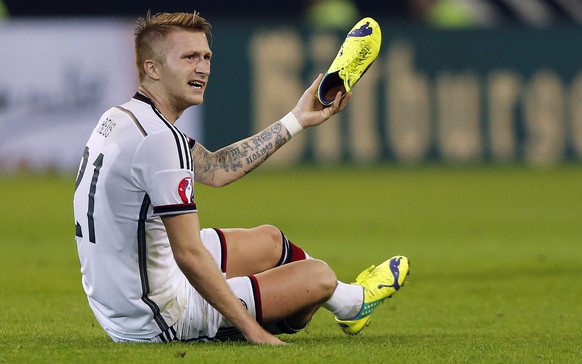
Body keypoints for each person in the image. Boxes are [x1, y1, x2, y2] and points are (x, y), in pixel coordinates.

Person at [73, 11, 409, 345]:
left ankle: (350, 303)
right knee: (317, 277)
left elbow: (217, 168)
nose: (202, 67)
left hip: (121, 301)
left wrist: (297, 119)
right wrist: (253, 331)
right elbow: (188, 254)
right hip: (158, 316)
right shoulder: (160, 141)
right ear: (152, 68)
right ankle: (350, 302)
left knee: (270, 241)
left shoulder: (123, 117)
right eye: (189, 57)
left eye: (206, 56)